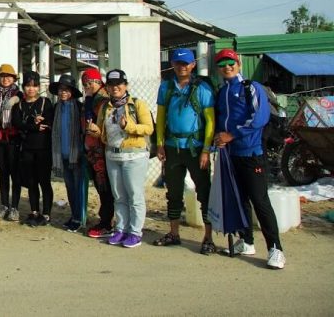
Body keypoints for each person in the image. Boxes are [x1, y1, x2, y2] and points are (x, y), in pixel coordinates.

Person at [213, 48, 286, 270]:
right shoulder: (222, 91)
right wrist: (219, 138)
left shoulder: (251, 88)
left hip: (252, 154)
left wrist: (231, 135)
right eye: (223, 64)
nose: (227, 67)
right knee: (240, 199)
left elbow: (259, 118)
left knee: (260, 200)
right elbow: (221, 120)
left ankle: (276, 249)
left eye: (231, 63)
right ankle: (247, 241)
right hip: (230, 155)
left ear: (239, 64)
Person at [154, 48, 216, 254]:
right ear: (173, 64)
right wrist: (160, 143)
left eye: (186, 63)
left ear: (193, 65)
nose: (182, 67)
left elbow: (210, 121)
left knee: (204, 192)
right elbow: (161, 117)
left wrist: (206, 149)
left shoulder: (202, 89)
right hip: (172, 147)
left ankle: (208, 237)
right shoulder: (166, 88)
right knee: (173, 193)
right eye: (178, 63)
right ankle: (174, 233)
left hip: (195, 149)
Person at [87, 69, 153, 248]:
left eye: (119, 84)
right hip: (112, 155)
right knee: (119, 196)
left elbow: (148, 128)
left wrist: (129, 126)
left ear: (126, 85)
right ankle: (120, 229)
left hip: (134, 155)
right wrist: (96, 131)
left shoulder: (137, 104)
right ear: (107, 87)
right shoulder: (105, 107)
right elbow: (103, 131)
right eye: (111, 85)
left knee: (134, 195)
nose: (115, 88)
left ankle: (135, 232)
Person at [12, 71, 54, 227]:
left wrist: (30, 126)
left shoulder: (45, 102)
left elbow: (49, 122)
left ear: (39, 87)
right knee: (31, 182)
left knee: (44, 181)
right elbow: (17, 124)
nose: (31, 89)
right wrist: (34, 124)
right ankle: (34, 211)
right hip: (27, 148)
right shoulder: (19, 105)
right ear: (23, 87)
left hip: (43, 148)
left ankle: (47, 213)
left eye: (34, 86)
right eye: (28, 86)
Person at [49, 74, 86, 232]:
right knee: (70, 187)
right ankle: (74, 215)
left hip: (75, 155)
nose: (63, 92)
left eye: (66, 89)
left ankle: (79, 218)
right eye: (60, 89)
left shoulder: (79, 107)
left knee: (78, 187)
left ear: (72, 91)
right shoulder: (56, 107)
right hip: (61, 155)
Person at [81, 68, 114, 238]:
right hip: (94, 152)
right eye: (85, 84)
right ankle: (106, 221)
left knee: (106, 187)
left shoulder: (103, 100)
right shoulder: (91, 99)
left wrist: (99, 133)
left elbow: (107, 124)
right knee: (102, 187)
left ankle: (107, 223)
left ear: (99, 82)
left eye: (91, 82)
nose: (89, 86)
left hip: (103, 150)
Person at [0, 64, 22, 221]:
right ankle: (4, 205)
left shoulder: (18, 93)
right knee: (3, 173)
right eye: (3, 76)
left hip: (13, 138)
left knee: (15, 173)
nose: (6, 79)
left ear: (14, 79)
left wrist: (16, 99)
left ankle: (14, 207)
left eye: (9, 76)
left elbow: (24, 99)